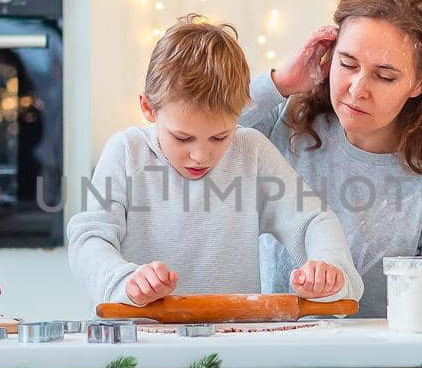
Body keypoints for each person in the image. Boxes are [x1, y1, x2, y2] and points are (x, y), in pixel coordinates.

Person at [66, 15, 362, 308]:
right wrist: (125, 281)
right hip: (141, 344)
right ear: (148, 107)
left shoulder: (252, 152)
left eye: (220, 137)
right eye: (183, 138)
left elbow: (313, 220)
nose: (201, 156)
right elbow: (90, 239)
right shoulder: (126, 152)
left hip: (232, 344)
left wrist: (328, 267)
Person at [242, 0, 422, 317]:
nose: (357, 89)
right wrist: (279, 84)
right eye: (347, 64)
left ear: (419, 83)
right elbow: (196, 140)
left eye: (384, 76)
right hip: (268, 358)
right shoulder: (285, 123)